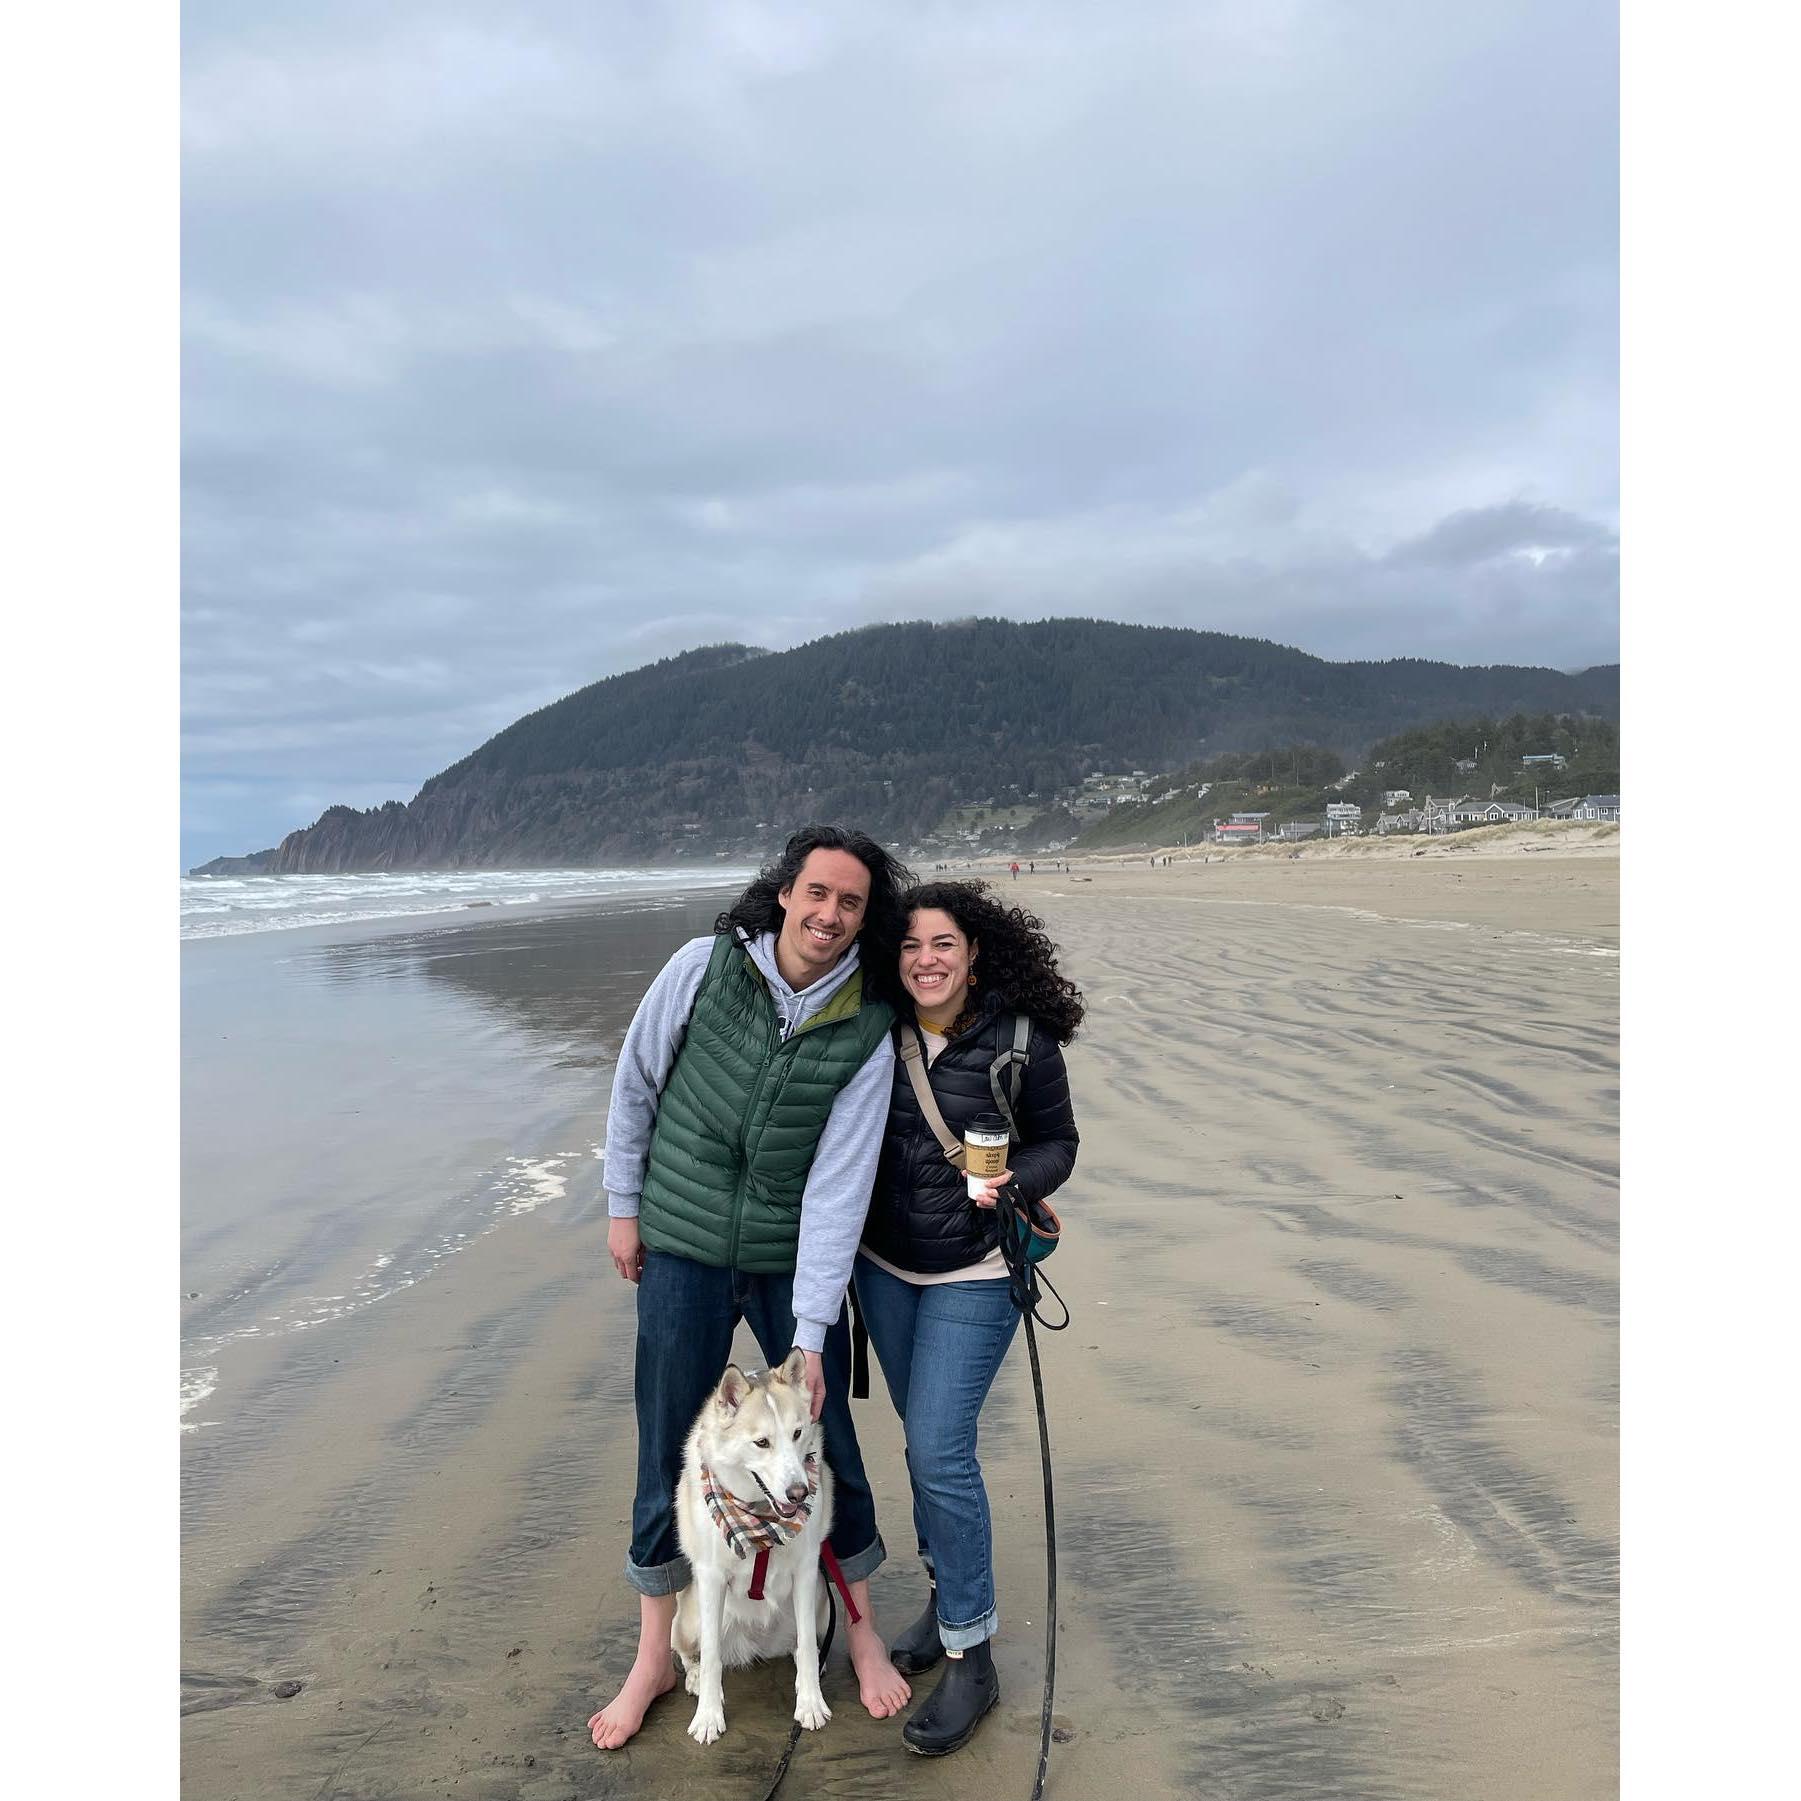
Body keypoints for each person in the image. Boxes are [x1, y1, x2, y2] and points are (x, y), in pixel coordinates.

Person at [587, 826, 916, 1751]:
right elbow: (635, 1086)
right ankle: (657, 1649)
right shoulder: (701, 967)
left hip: (784, 1258)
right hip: (682, 1243)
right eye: (817, 892)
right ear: (784, 893)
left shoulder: (867, 1026)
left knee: (827, 1440)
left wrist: (811, 1332)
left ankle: (858, 1627)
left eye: (850, 902)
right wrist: (622, 1207)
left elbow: (840, 1185)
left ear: (865, 918)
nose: (829, 914)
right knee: (666, 1443)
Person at [852, 881, 1082, 1756]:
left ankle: (971, 1651)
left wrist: (1015, 1181)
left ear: (974, 950)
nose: (925, 959)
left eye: (942, 943)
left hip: (977, 1269)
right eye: (909, 945)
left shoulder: (1022, 1041)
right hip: (883, 1267)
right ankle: (948, 1597)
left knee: (939, 1446)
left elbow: (1059, 1141)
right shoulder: (875, 1026)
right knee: (922, 1441)